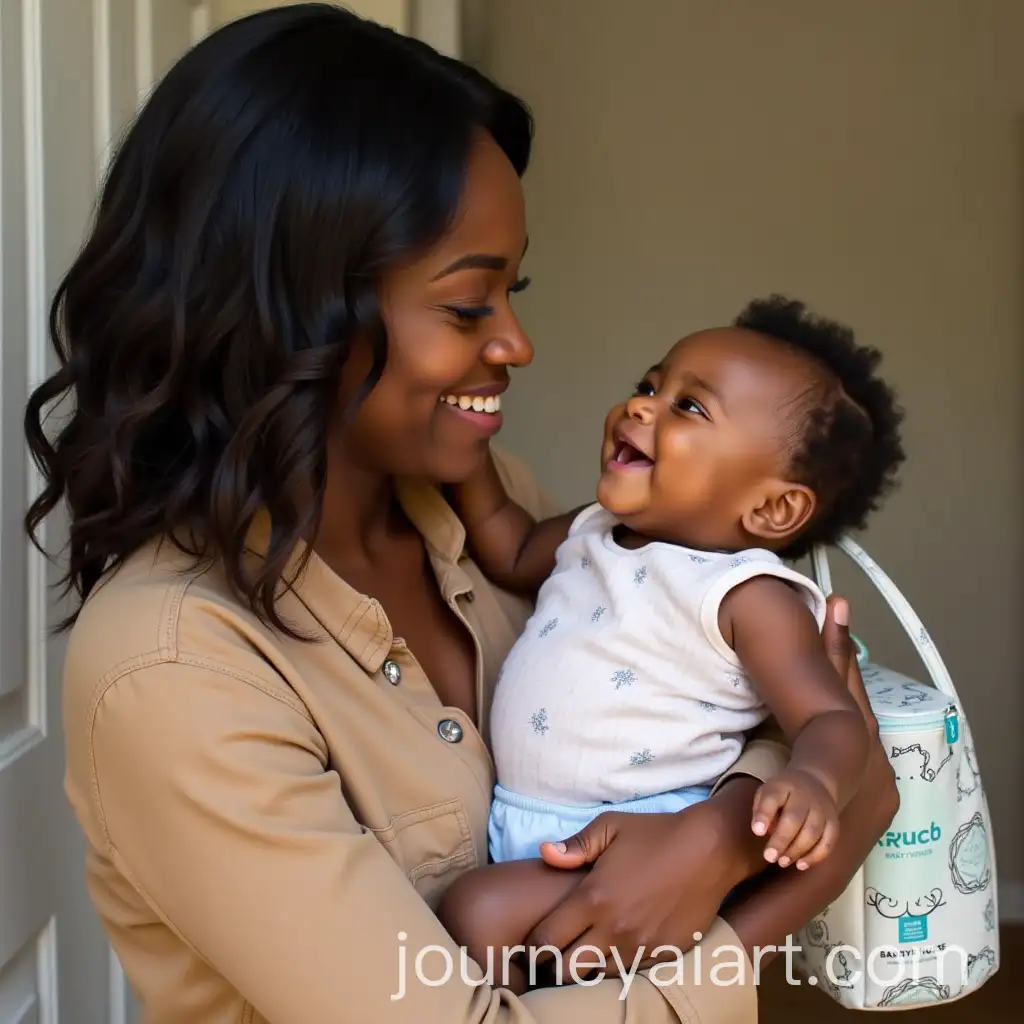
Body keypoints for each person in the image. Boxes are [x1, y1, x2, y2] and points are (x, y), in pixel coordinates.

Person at [22, 5, 898, 1023]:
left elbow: (735, 699)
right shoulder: (171, 667)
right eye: (469, 306)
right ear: (294, 310)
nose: (517, 344)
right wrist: (775, 901)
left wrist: (725, 828)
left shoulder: (507, 512)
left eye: (512, 292)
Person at [436, 297, 905, 992]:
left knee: (478, 914)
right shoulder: (595, 527)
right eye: (651, 384)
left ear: (774, 508)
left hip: (642, 841)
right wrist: (463, 447)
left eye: (689, 408)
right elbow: (507, 544)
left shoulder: (749, 595)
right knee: (544, 967)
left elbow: (830, 717)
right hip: (537, 831)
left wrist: (812, 780)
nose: (640, 407)